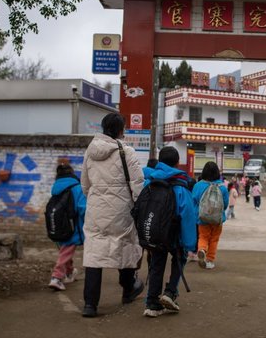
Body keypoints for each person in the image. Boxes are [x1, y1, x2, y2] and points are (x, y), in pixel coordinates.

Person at [80, 113, 145, 318]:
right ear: (121, 130)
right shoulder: (127, 152)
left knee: (94, 253)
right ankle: (128, 289)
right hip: (121, 209)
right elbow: (137, 185)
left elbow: (85, 185)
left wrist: (98, 197)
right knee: (123, 245)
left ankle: (90, 305)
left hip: (96, 209)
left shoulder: (90, 152)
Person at [143, 146, 196, 318]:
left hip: (156, 233)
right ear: (176, 163)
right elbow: (187, 215)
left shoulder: (150, 182)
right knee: (179, 259)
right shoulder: (181, 185)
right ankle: (170, 292)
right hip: (175, 235)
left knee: (157, 263)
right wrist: (190, 243)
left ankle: (151, 304)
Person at [48, 163, 86, 291]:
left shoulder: (56, 188)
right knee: (66, 252)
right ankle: (56, 277)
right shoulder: (77, 187)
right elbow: (82, 208)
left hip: (57, 225)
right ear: (72, 173)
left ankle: (69, 273)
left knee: (65, 250)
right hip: (72, 227)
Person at [191, 161, 229, 270]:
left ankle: (202, 249)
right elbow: (225, 204)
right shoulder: (222, 187)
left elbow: (193, 201)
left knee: (203, 236)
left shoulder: (198, 185)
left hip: (202, 218)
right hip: (217, 220)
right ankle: (210, 260)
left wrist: (196, 215)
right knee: (214, 239)